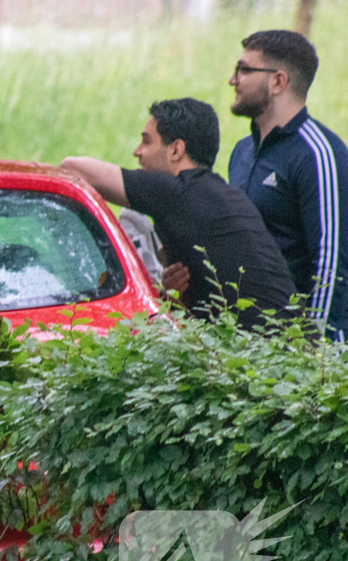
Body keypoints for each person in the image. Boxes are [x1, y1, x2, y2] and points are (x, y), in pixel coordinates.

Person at [61, 98, 296, 330]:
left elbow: (72, 166)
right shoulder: (221, 196)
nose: (137, 152)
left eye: (146, 142)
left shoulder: (178, 192)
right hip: (291, 351)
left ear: (176, 150)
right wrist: (174, 297)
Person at [228, 29, 348, 341]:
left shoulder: (320, 155)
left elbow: (331, 260)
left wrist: (317, 354)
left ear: (278, 81)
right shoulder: (242, 151)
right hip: (247, 343)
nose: (233, 80)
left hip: (297, 353)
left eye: (244, 70)